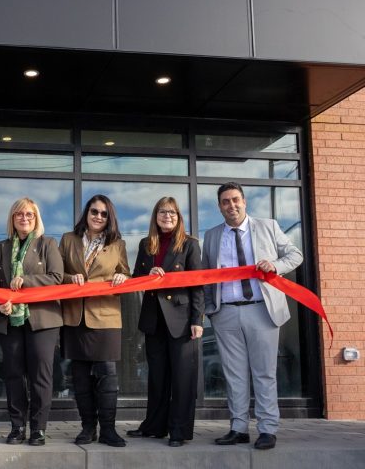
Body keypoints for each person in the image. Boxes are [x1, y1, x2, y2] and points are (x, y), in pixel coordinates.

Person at [203, 182, 303, 451]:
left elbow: (296, 255)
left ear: (244, 201)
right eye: (225, 201)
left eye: (235, 200)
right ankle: (238, 427)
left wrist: (275, 266)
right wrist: (211, 310)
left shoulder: (268, 226)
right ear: (219, 206)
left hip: (262, 308)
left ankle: (267, 429)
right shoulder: (212, 236)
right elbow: (205, 275)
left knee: (264, 373)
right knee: (233, 375)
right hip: (225, 313)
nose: (231, 205)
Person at [128, 197, 204, 447]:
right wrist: (147, 275)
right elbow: (135, 278)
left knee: (183, 377)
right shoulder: (145, 243)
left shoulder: (190, 244)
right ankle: (154, 426)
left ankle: (179, 431)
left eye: (172, 212)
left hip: (181, 320)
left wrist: (197, 319)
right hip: (153, 319)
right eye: (162, 212)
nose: (167, 216)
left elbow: (197, 284)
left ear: (178, 216)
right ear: (155, 216)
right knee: (158, 377)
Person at [0, 197, 63, 446]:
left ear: (36, 218)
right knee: (13, 374)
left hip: (42, 320)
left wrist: (26, 282)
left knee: (41, 376)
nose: (24, 218)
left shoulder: (48, 243)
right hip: (9, 320)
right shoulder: (0, 247)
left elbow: (56, 277)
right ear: (12, 218)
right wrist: (0, 303)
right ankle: (17, 426)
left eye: (29, 214)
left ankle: (38, 429)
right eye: (19, 214)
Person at [58, 195, 129, 448]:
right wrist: (70, 278)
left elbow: (125, 274)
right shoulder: (68, 239)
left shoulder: (117, 244)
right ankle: (88, 428)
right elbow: (57, 274)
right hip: (75, 316)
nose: (98, 216)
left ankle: (109, 430)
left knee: (107, 374)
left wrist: (122, 278)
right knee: (80, 376)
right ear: (86, 214)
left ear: (110, 218)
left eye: (103, 213)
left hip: (106, 316)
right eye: (94, 211)